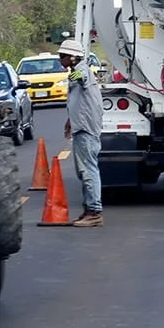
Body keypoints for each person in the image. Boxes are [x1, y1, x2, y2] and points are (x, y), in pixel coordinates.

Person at [59, 39, 104, 228]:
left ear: (73, 57)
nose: (60, 59)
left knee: (88, 170)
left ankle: (94, 211)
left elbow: (81, 76)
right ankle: (89, 209)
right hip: (81, 125)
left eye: (62, 56)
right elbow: (80, 100)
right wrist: (71, 120)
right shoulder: (76, 71)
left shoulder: (82, 70)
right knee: (83, 171)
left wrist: (75, 74)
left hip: (86, 129)